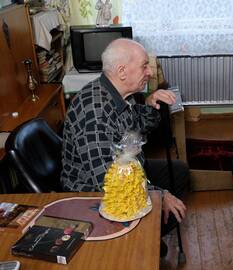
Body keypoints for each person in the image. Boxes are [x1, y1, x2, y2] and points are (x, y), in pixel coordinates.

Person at [61, 38, 190, 256]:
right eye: (144, 65)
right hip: (96, 191)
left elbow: (139, 125)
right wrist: (159, 194)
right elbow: (108, 181)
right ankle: (137, 244)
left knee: (179, 173)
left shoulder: (117, 93)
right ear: (122, 71)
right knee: (165, 199)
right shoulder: (95, 114)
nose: (149, 72)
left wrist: (150, 103)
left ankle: (149, 234)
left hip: (127, 170)